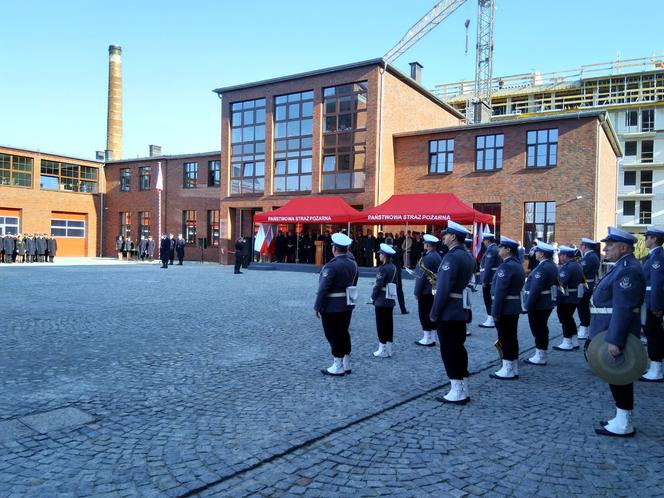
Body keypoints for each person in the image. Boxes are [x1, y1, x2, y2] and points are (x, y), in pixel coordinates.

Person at [589, 227, 645, 437]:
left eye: (609, 246)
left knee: (620, 376)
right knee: (615, 376)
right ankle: (622, 418)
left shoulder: (628, 269)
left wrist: (615, 340)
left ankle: (624, 423)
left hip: (614, 330)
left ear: (623, 248)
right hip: (607, 327)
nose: (605, 249)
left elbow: (623, 307)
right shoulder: (621, 265)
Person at [429, 221, 475, 404]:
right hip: (460, 309)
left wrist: (434, 312)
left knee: (449, 350)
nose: (443, 237)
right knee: (459, 348)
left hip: (449, 310)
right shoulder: (468, 256)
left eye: (446, 234)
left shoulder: (451, 257)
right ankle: (463, 385)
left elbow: (444, 288)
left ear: (453, 237)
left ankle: (457, 390)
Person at [314, 233, 358, 376]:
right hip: (347, 304)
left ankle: (337, 364)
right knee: (344, 332)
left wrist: (317, 306)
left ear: (334, 248)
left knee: (332, 333)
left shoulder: (331, 266)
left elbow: (323, 288)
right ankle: (346, 362)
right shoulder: (353, 263)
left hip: (332, 306)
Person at [489, 236, 526, 380]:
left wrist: (495, 312)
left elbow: (500, 291)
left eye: (501, 247)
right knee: (512, 337)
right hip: (513, 307)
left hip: (504, 308)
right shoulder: (517, 264)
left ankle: (507, 368)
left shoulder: (506, 266)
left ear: (507, 250)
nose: (499, 249)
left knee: (505, 338)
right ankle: (513, 366)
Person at [522, 241, 558, 366]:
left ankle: (540, 355)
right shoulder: (551, 265)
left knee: (538, 329)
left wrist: (527, 305)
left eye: (537, 251)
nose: (535, 253)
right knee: (542, 328)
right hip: (546, 303)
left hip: (539, 304)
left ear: (542, 254)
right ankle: (541, 353)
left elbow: (535, 289)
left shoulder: (542, 268)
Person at [640, 226, 664, 382]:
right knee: (652, 334)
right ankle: (655, 367)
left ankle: (656, 370)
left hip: (652, 303)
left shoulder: (656, 258)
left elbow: (656, 284)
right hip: (649, 301)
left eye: (647, 236)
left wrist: (656, 306)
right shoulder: (653, 256)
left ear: (654, 239)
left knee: (653, 335)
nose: (645, 239)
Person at [553, 245, 585, 351]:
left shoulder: (568, 267)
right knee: (570, 319)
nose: (560, 257)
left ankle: (567, 342)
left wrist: (555, 298)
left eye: (561, 255)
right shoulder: (576, 265)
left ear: (565, 256)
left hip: (567, 298)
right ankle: (574, 341)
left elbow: (561, 283)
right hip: (574, 297)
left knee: (565, 319)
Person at [414, 234, 443, 347]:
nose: (424, 245)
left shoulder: (428, 257)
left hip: (426, 290)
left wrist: (416, 292)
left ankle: (427, 337)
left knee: (424, 313)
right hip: (433, 289)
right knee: (431, 311)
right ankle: (432, 336)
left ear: (427, 245)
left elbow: (421, 277)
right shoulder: (437, 256)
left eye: (425, 244)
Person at [371, 244, 398, 358]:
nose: (379, 255)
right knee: (389, 323)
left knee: (381, 324)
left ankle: (382, 348)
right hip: (390, 298)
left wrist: (373, 297)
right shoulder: (394, 267)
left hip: (381, 299)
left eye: (380, 254)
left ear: (384, 255)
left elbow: (378, 284)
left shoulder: (383, 268)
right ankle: (389, 347)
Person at [577, 238, 601, 340]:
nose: (580, 247)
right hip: (587, 285)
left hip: (585, 286)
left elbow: (580, 271)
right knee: (583, 307)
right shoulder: (591, 256)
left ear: (585, 246)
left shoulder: (589, 257)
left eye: (581, 245)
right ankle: (584, 328)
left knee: (582, 307)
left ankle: (584, 329)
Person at [479, 232, 501, 328]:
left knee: (488, 299)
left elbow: (488, 266)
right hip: (493, 278)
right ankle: (491, 318)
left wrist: (484, 281)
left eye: (484, 240)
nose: (483, 241)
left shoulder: (491, 250)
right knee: (491, 299)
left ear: (487, 240)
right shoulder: (495, 249)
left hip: (489, 279)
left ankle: (490, 319)